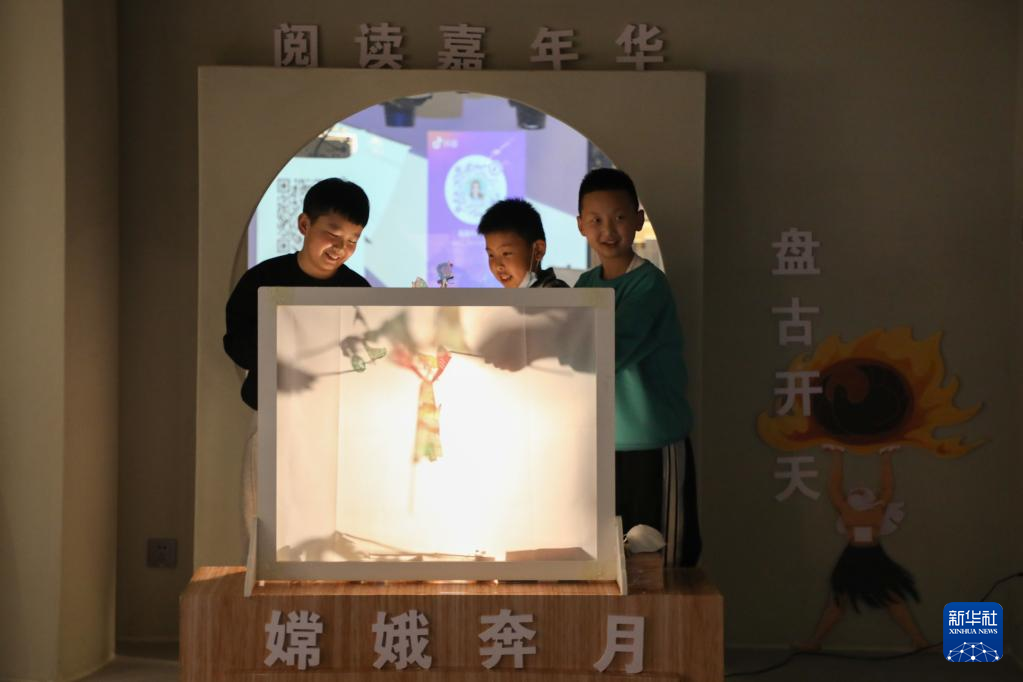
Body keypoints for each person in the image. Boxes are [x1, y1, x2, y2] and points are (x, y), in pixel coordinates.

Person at [223, 177, 371, 552]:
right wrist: (284, 350)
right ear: (305, 224)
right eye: (332, 235)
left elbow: (367, 360)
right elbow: (236, 344)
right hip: (274, 414)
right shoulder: (262, 281)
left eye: (352, 240)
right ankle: (264, 585)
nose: (341, 248)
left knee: (329, 524)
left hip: (334, 422)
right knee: (263, 524)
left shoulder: (358, 292)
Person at [573, 167, 701, 567]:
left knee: (664, 561)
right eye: (596, 220)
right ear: (580, 225)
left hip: (652, 443)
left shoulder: (650, 284)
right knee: (613, 562)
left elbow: (606, 350)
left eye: (619, 218)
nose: (608, 230)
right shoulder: (585, 284)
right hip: (601, 446)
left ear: (639, 220)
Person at [797, 448, 928, 651]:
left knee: (893, 598)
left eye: (861, 491)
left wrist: (885, 457)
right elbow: (834, 487)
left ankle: (919, 641)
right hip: (852, 556)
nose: (857, 491)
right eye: (854, 492)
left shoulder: (877, 508)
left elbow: (887, 487)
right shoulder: (846, 509)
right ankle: (814, 642)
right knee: (838, 600)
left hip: (874, 556)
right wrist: (837, 456)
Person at [477, 198, 569, 289]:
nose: (498, 266)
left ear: (538, 250)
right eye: (491, 255)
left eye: (506, 253)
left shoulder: (555, 292)